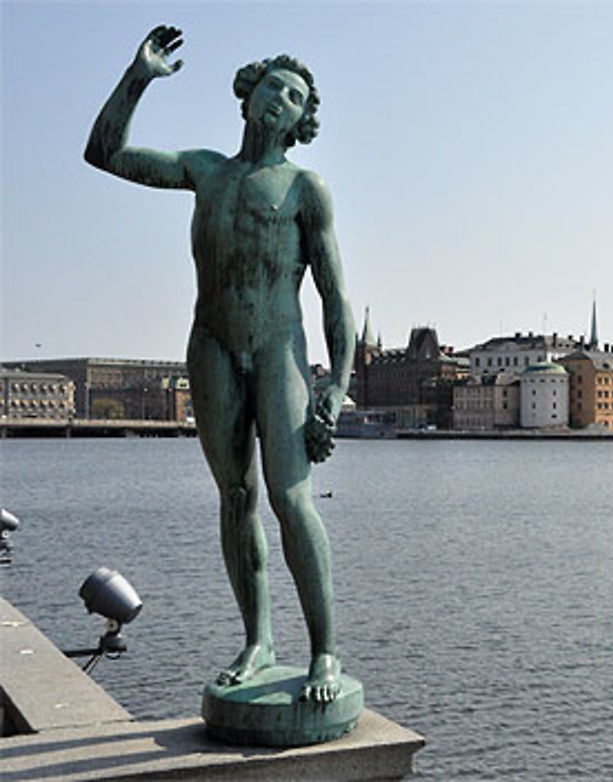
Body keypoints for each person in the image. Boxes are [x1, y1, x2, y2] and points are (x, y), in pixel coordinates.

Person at [85, 26, 355, 704]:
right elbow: (104, 152)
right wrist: (138, 76)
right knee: (235, 498)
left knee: (291, 499)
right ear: (248, 95)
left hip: (277, 349)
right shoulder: (205, 170)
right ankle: (258, 641)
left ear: (302, 120)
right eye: (272, 86)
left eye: (294, 96)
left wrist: (333, 390)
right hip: (210, 344)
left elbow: (336, 300)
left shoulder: (305, 189)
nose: (280, 99)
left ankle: (324, 650)